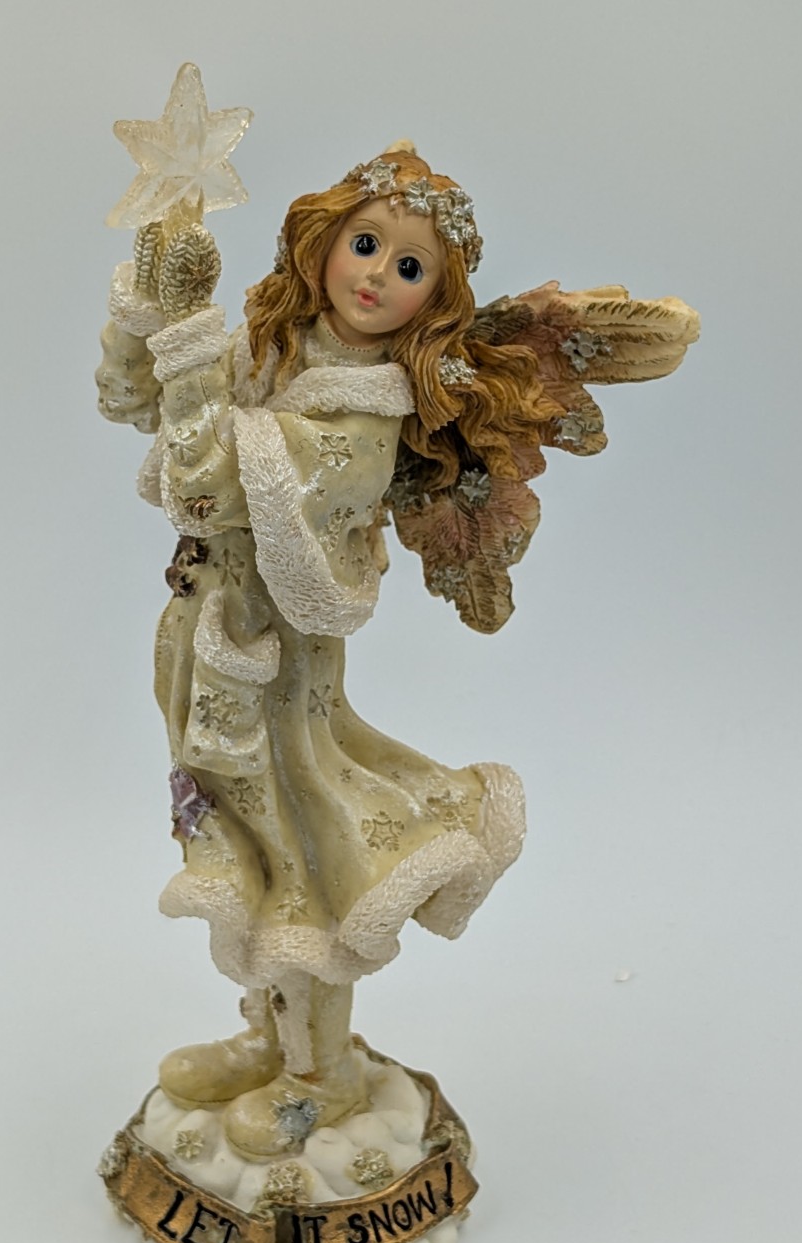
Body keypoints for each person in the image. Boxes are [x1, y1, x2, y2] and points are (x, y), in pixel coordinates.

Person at [96, 146, 696, 1159]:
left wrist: (191, 335)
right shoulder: (276, 349)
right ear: (324, 240)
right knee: (244, 854)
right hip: (206, 650)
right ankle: (271, 1037)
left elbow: (202, 485)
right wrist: (148, 312)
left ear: (433, 300)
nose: (375, 274)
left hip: (277, 672)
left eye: (408, 266)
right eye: (365, 243)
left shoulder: (363, 421)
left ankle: (322, 1075)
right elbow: (133, 404)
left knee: (305, 863)